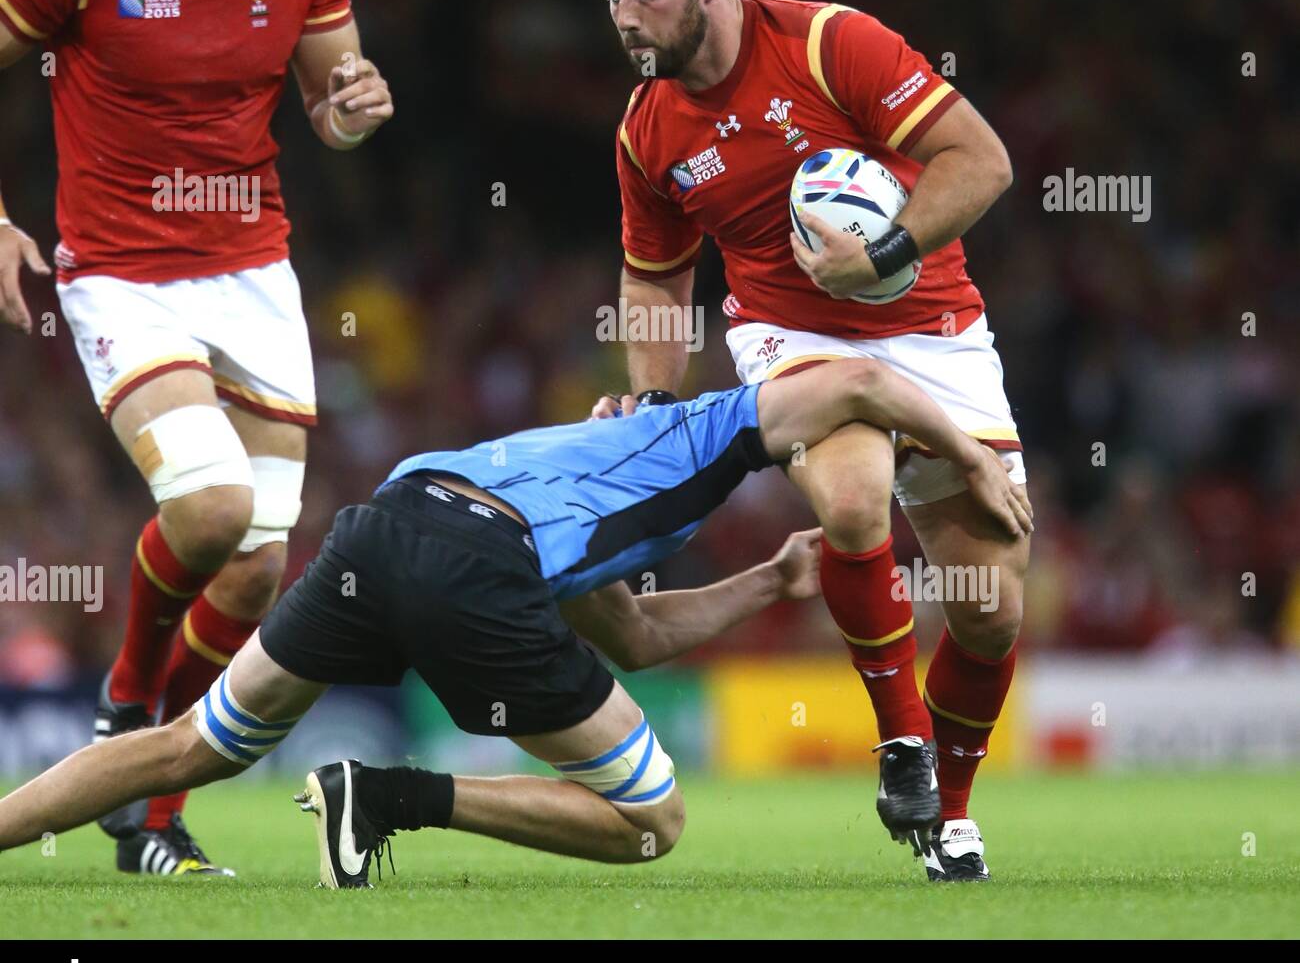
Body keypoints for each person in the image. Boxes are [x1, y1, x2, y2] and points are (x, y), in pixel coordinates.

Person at [0, 359, 1030, 888]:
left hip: (389, 528)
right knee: (651, 825)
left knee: (192, 746)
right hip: (477, 566)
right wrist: (975, 457)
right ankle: (391, 796)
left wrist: (768, 580)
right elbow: (856, 379)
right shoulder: (709, 422)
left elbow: (630, 636)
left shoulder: (577, 475)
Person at [0, 0, 393, 875]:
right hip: (122, 270)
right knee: (213, 508)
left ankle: (151, 816)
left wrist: (355, 105)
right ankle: (128, 715)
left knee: (259, 572)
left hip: (253, 269)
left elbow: (332, 99)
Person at [590, 0, 1028, 879]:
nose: (623, 18)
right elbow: (654, 278)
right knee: (850, 495)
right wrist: (656, 405)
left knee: (992, 608)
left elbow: (983, 161)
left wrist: (884, 254)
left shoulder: (833, 45)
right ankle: (902, 741)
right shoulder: (647, 128)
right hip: (788, 336)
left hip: (929, 327)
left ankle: (950, 817)